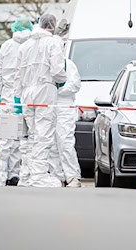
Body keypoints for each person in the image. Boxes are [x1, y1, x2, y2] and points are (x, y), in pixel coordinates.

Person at [13, 14, 67, 187]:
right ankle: (39, 175)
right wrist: (62, 80)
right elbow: (58, 70)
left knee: (32, 134)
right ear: (53, 25)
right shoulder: (53, 42)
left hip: (27, 93)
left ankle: (26, 175)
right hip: (45, 90)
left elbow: (17, 75)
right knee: (43, 134)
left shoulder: (25, 45)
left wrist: (17, 96)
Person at [0, 17, 33, 186]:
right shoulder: (32, 45)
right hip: (27, 98)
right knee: (23, 140)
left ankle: (0, 176)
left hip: (7, 98)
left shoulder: (7, 46)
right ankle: (16, 174)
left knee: (4, 139)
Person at [49, 58, 82, 188]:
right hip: (48, 105)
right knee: (51, 143)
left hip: (64, 106)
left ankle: (73, 176)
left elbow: (75, 84)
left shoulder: (68, 64)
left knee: (65, 142)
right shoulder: (46, 63)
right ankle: (56, 176)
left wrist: (59, 90)